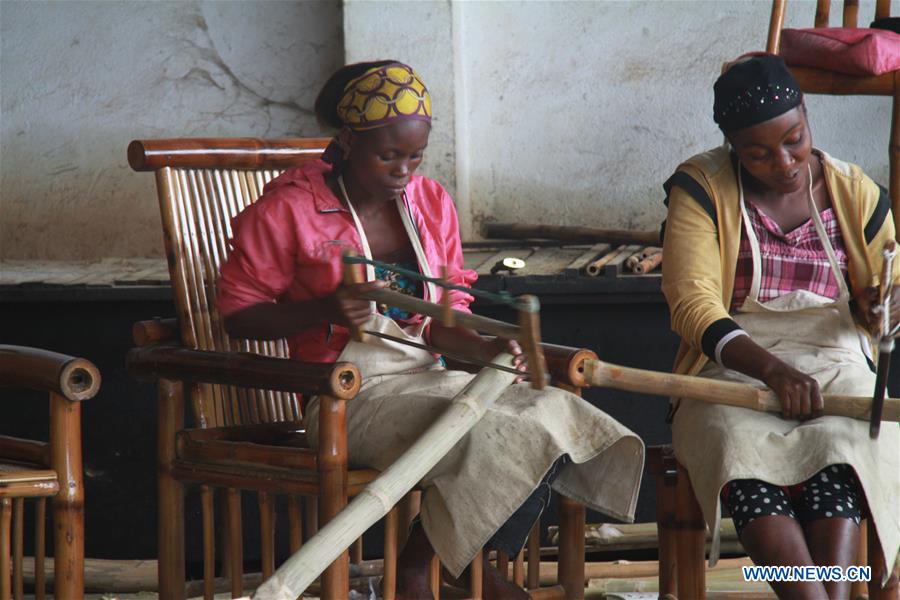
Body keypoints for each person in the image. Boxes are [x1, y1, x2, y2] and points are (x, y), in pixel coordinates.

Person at [217, 60, 645, 599]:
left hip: (430, 378)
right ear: (347, 141)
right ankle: (442, 571)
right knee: (498, 431)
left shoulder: (429, 202)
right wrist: (325, 309)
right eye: (388, 156)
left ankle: (424, 563)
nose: (404, 170)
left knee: (557, 414)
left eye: (415, 155)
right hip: (344, 400)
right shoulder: (290, 210)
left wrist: (485, 346)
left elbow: (440, 326)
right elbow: (237, 315)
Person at [662, 53, 900, 600]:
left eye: (795, 140)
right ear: (732, 146)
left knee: (846, 447)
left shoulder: (855, 191)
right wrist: (773, 371)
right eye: (759, 154)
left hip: (838, 366)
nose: (785, 162)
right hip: (729, 374)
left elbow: (892, 287)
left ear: (806, 114)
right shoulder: (700, 189)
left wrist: (880, 308)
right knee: (738, 452)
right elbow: (692, 305)